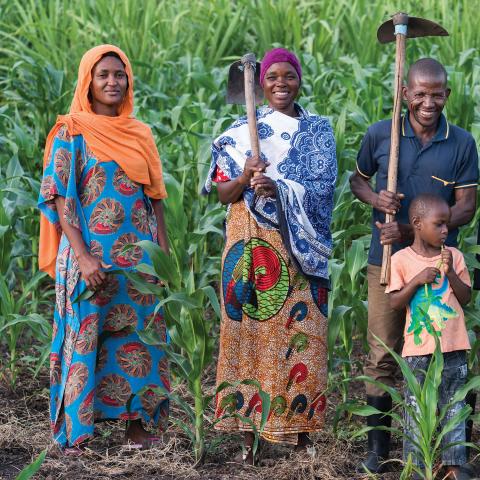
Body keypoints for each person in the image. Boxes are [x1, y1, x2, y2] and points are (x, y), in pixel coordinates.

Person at [204, 48, 337, 463]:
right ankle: (250, 435)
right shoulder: (241, 132)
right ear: (260, 84)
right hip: (250, 242)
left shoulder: (317, 131)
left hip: (300, 249)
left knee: (303, 336)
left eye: (289, 76)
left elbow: (322, 190)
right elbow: (222, 194)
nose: (281, 83)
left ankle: (301, 438)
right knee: (249, 334)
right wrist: (247, 175)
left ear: (299, 80)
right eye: (273, 77)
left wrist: (279, 189)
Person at [38, 45, 170, 452]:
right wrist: (82, 256)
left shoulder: (139, 133)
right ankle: (79, 431)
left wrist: (163, 254)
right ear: (88, 82)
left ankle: (138, 428)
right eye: (103, 75)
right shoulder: (71, 131)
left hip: (139, 259)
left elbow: (155, 198)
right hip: (91, 257)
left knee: (141, 340)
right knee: (85, 338)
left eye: (120, 74)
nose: (113, 82)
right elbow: (60, 195)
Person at [350, 58, 478, 473]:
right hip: (386, 264)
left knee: (449, 354)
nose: (429, 102)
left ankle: (451, 452)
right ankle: (378, 449)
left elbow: (467, 207)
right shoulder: (380, 135)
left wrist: (410, 232)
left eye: (437, 93)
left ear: (448, 94)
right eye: (420, 93)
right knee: (383, 353)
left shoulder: (461, 143)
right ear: (405, 94)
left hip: (443, 267)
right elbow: (358, 180)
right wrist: (375, 200)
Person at [386, 194, 471, 480]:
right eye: (440, 224)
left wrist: (451, 275)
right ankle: (417, 464)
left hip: (454, 347)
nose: (446, 230)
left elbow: (466, 297)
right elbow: (395, 303)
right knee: (415, 407)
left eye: (447, 224)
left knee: (454, 405)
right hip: (419, 350)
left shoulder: (455, 256)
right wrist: (417, 280)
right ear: (418, 224)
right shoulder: (401, 260)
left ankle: (454, 464)